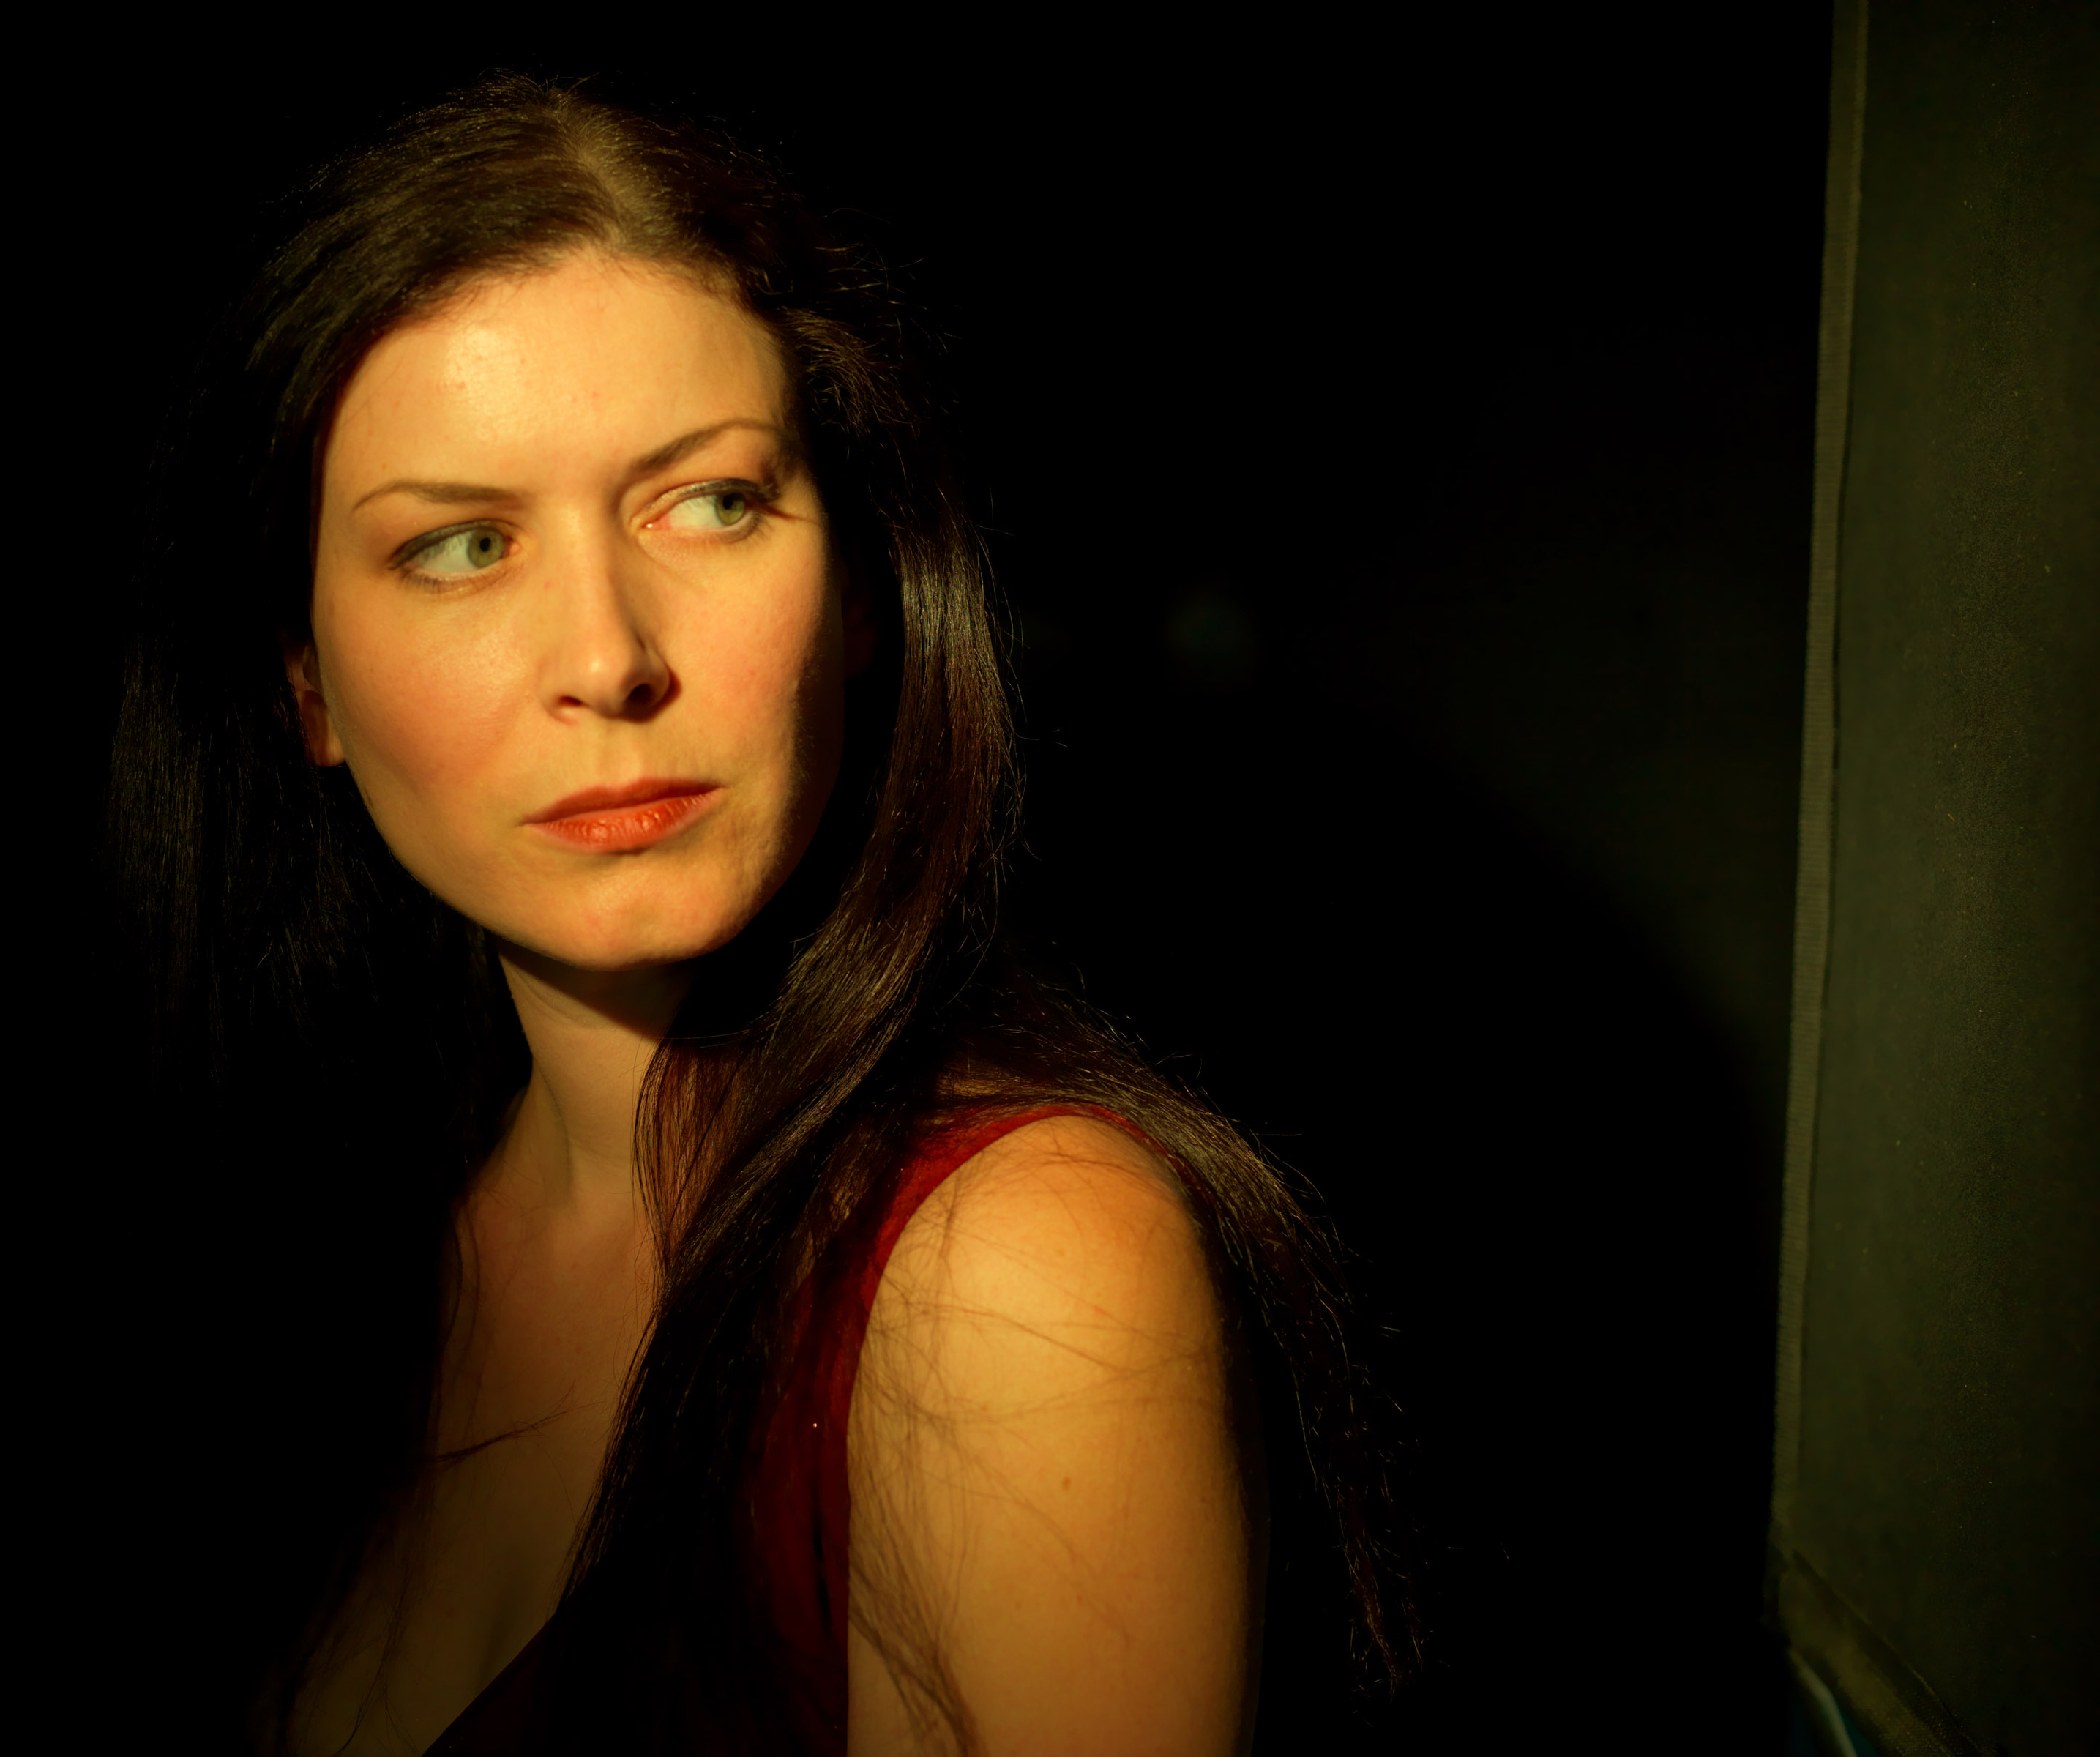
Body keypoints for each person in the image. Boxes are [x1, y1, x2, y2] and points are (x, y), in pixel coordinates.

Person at [111, 72, 1412, 1755]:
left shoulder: (1011, 1267)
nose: (608, 657)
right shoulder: (329, 1269)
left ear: (860, 589)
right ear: (308, 687)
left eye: (712, 503)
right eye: (461, 547)